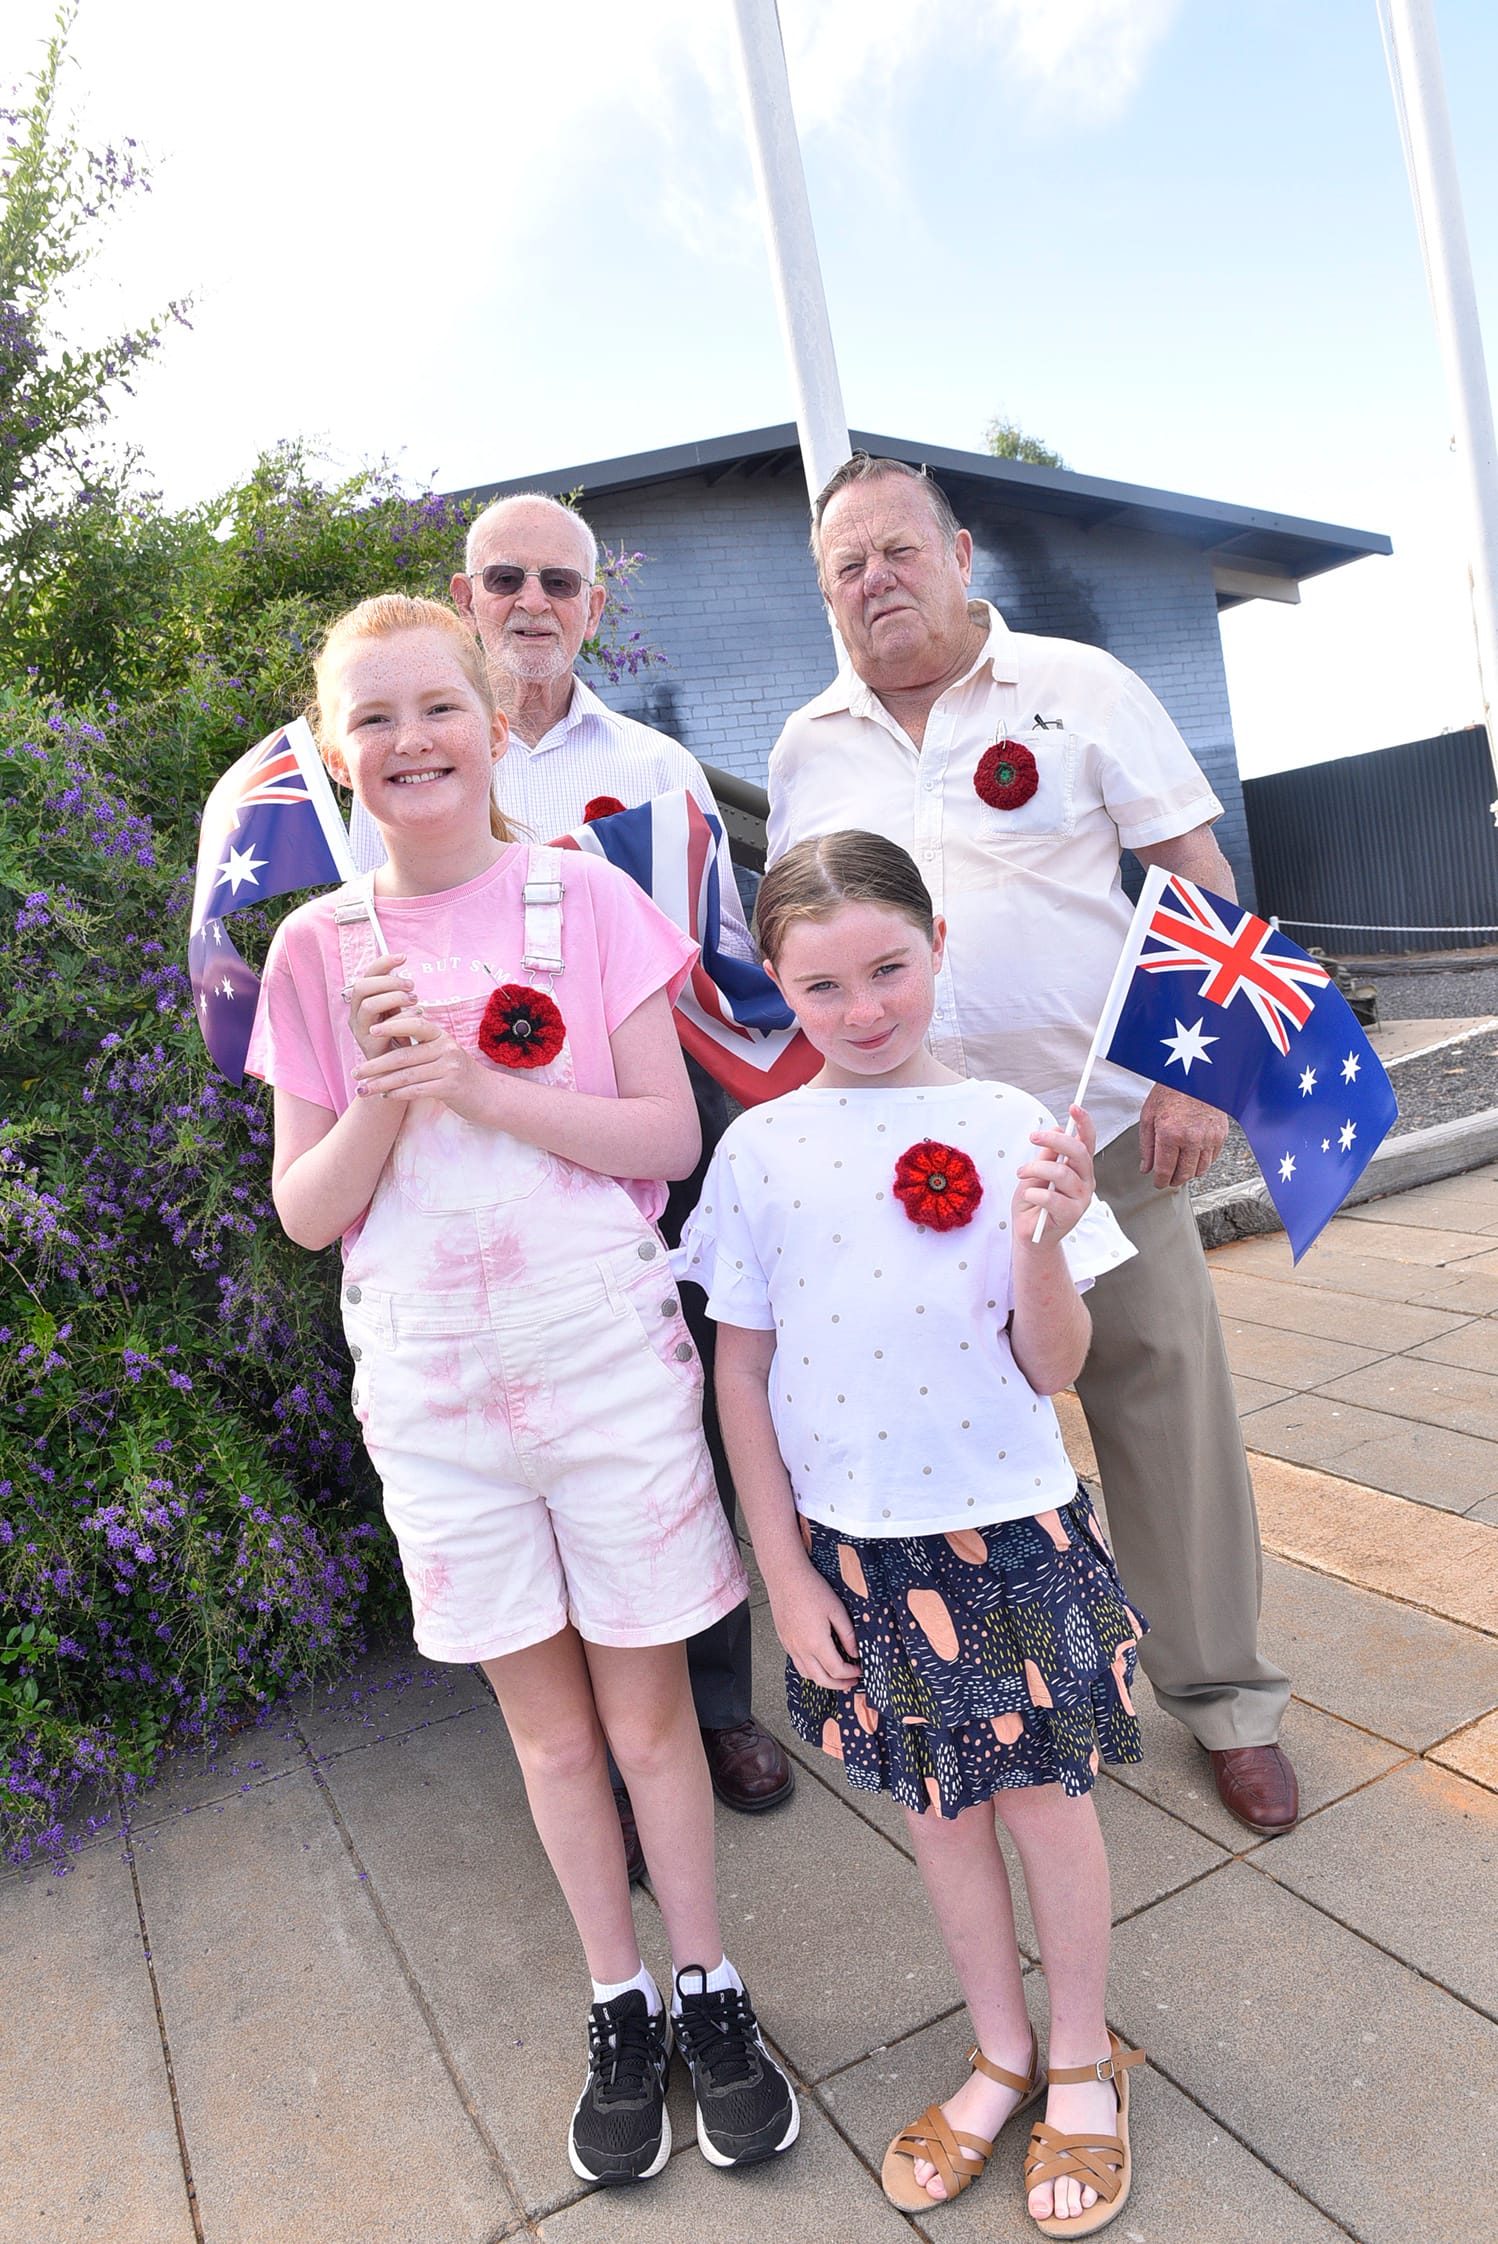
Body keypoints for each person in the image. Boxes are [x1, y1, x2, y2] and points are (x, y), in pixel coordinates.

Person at [246, 594, 798, 2186]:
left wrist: (482, 1081)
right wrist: (388, 1103)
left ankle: (706, 1983)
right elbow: (306, 1208)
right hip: (436, 1393)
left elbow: (665, 1143)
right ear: (336, 755)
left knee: (647, 1724)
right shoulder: (317, 947)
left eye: (436, 708)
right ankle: (614, 1999)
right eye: (374, 719)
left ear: (494, 722)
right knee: (550, 1744)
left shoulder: (584, 897)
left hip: (606, 1373)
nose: (408, 741)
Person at [766, 454, 1297, 1839]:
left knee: (1157, 1402)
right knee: (968, 1430)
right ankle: (1016, 1694)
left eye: (896, 550)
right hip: (911, 1172)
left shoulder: (1080, 686)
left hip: (1099, 1132)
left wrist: (1201, 1078)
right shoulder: (806, 746)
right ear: (824, 592)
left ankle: (1226, 1699)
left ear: (956, 553)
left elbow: (1199, 876)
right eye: (845, 565)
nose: (874, 579)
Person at [678, 832, 1147, 2236]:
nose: (864, 1006)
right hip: (856, 1556)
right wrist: (780, 1571)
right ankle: (996, 2049)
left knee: (1046, 1812)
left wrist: (1043, 1240)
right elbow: (739, 1373)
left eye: (888, 966)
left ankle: (1080, 2058)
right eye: (823, 984)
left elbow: (1054, 1365)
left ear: (936, 942)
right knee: (939, 1816)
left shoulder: (1018, 1124)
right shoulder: (759, 1149)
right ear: (778, 985)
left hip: (1007, 1535)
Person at [451, 494, 794, 1847]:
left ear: (593, 606)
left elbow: (714, 977)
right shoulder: (411, 763)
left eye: (559, 580)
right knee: (522, 1432)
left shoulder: (656, 769)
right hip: (478, 1172)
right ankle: (577, 1735)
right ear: (467, 596)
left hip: (644, 1149)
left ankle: (711, 1703)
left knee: (676, 1421)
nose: (531, 600)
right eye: (503, 578)